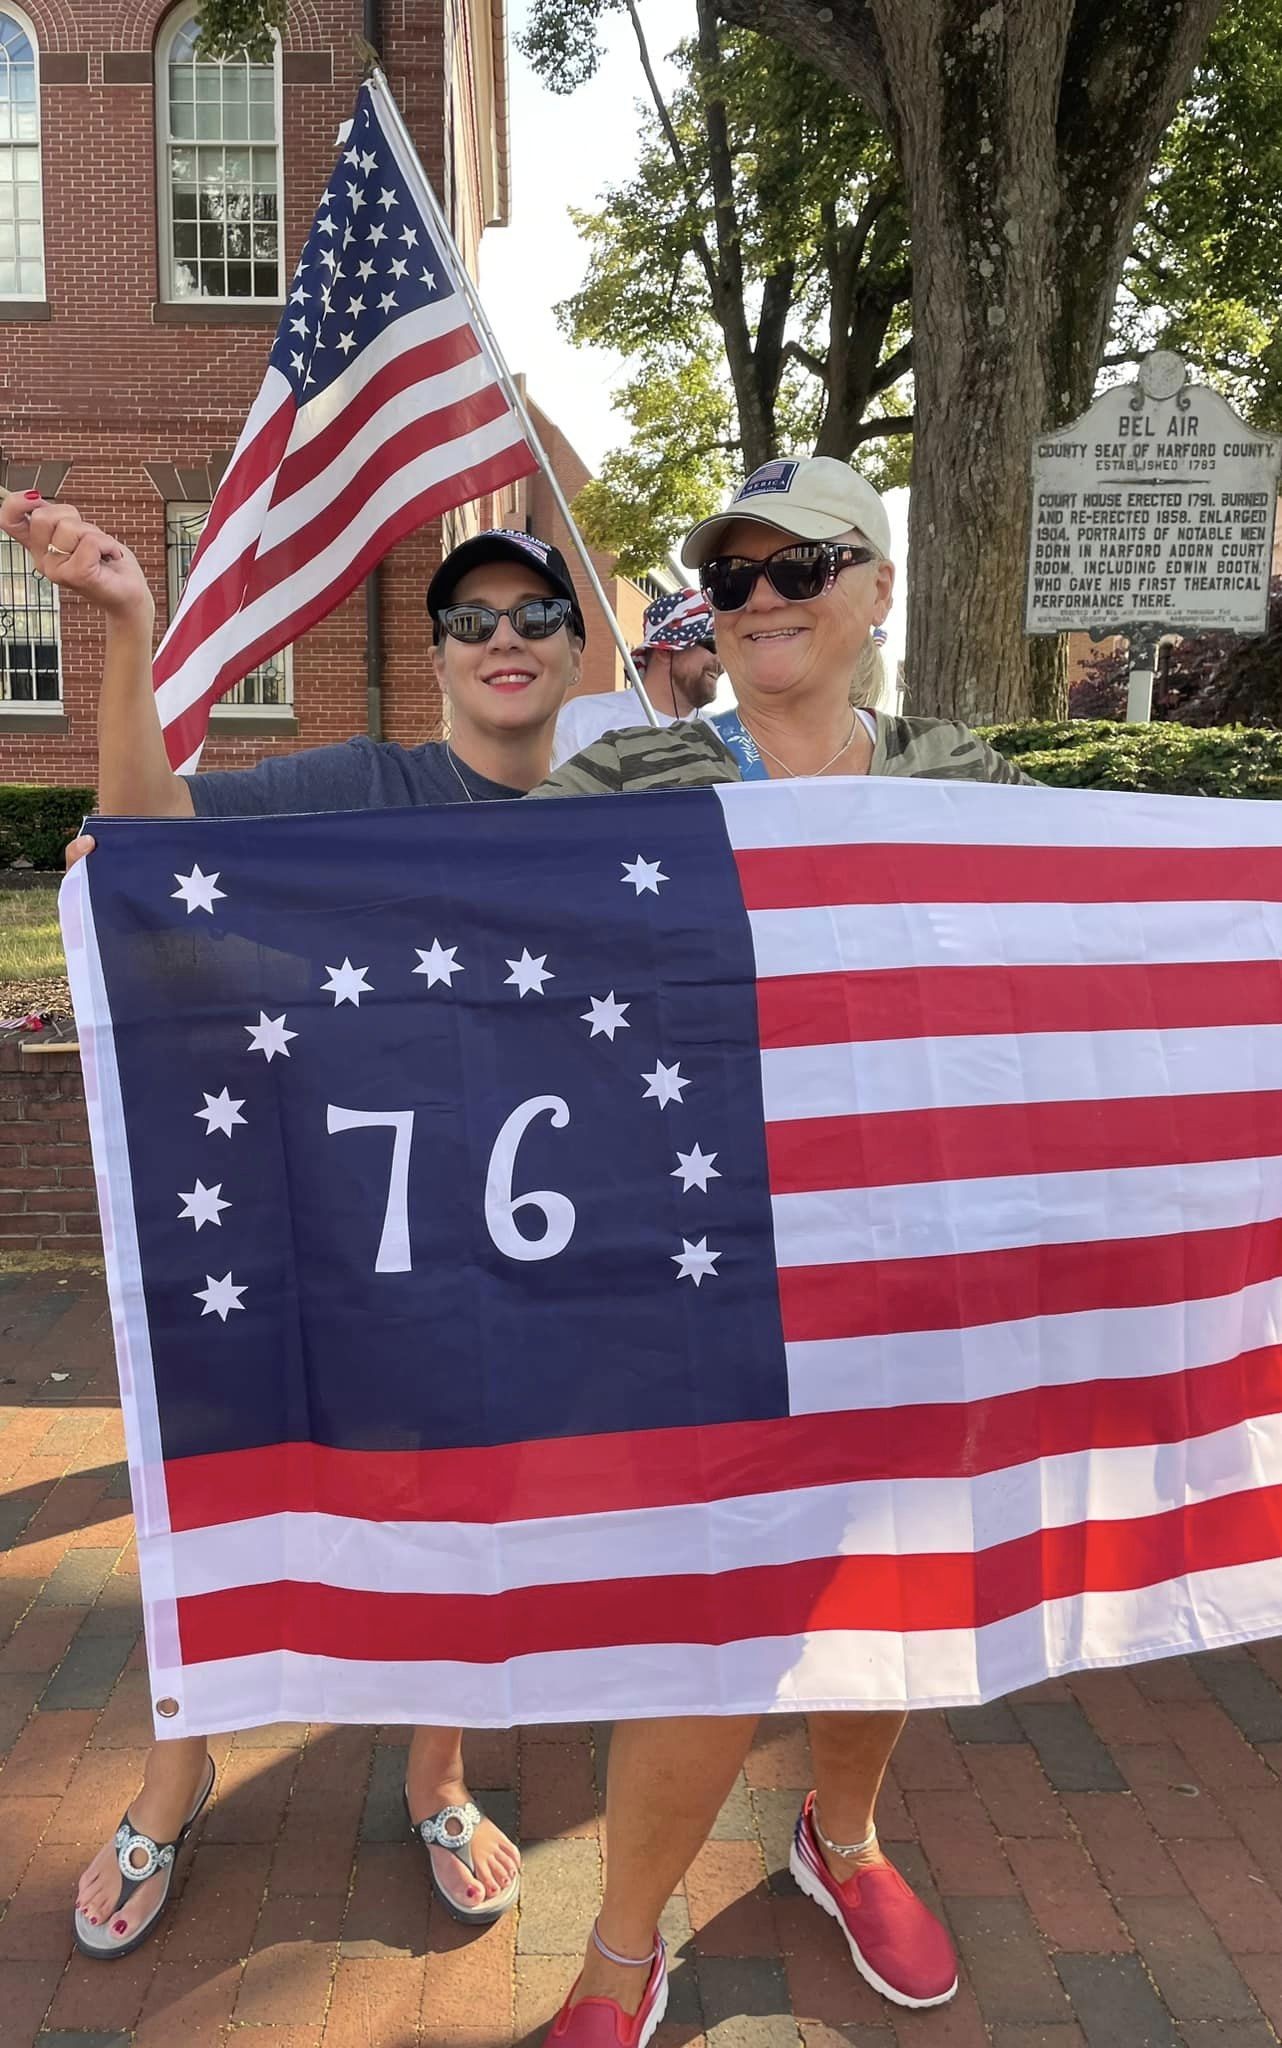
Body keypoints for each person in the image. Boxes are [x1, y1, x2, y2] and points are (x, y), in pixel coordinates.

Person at [0, 489, 587, 1958]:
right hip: (317, 1211)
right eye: (469, 618)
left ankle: (437, 1776)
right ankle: (173, 1775)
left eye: (534, 613)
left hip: (507, 1235)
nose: (502, 637)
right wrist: (127, 622)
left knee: (470, 1507)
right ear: (439, 654)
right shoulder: (363, 784)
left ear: (578, 650)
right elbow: (149, 830)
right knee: (238, 1478)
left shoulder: (623, 817)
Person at [528, 455, 1035, 2048]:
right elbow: (456, 922)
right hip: (709, 1265)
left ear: (874, 588)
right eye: (731, 575)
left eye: (797, 568)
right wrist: (162, 881)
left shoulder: (964, 777)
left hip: (915, 1264)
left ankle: (844, 1838)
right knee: (714, 1610)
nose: (756, 600)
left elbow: (1060, 965)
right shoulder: (637, 776)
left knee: (885, 1589)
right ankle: (619, 1945)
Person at [550, 586, 721, 768]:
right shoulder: (583, 720)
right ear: (665, 651)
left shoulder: (724, 734)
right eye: (712, 644)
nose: (721, 661)